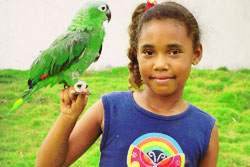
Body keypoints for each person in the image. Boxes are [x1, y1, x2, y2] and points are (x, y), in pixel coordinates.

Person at [36, 1, 219, 167]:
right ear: (136, 54)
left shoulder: (205, 129)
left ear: (196, 53)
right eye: (148, 52)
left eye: (174, 52)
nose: (160, 64)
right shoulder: (109, 109)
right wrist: (67, 118)